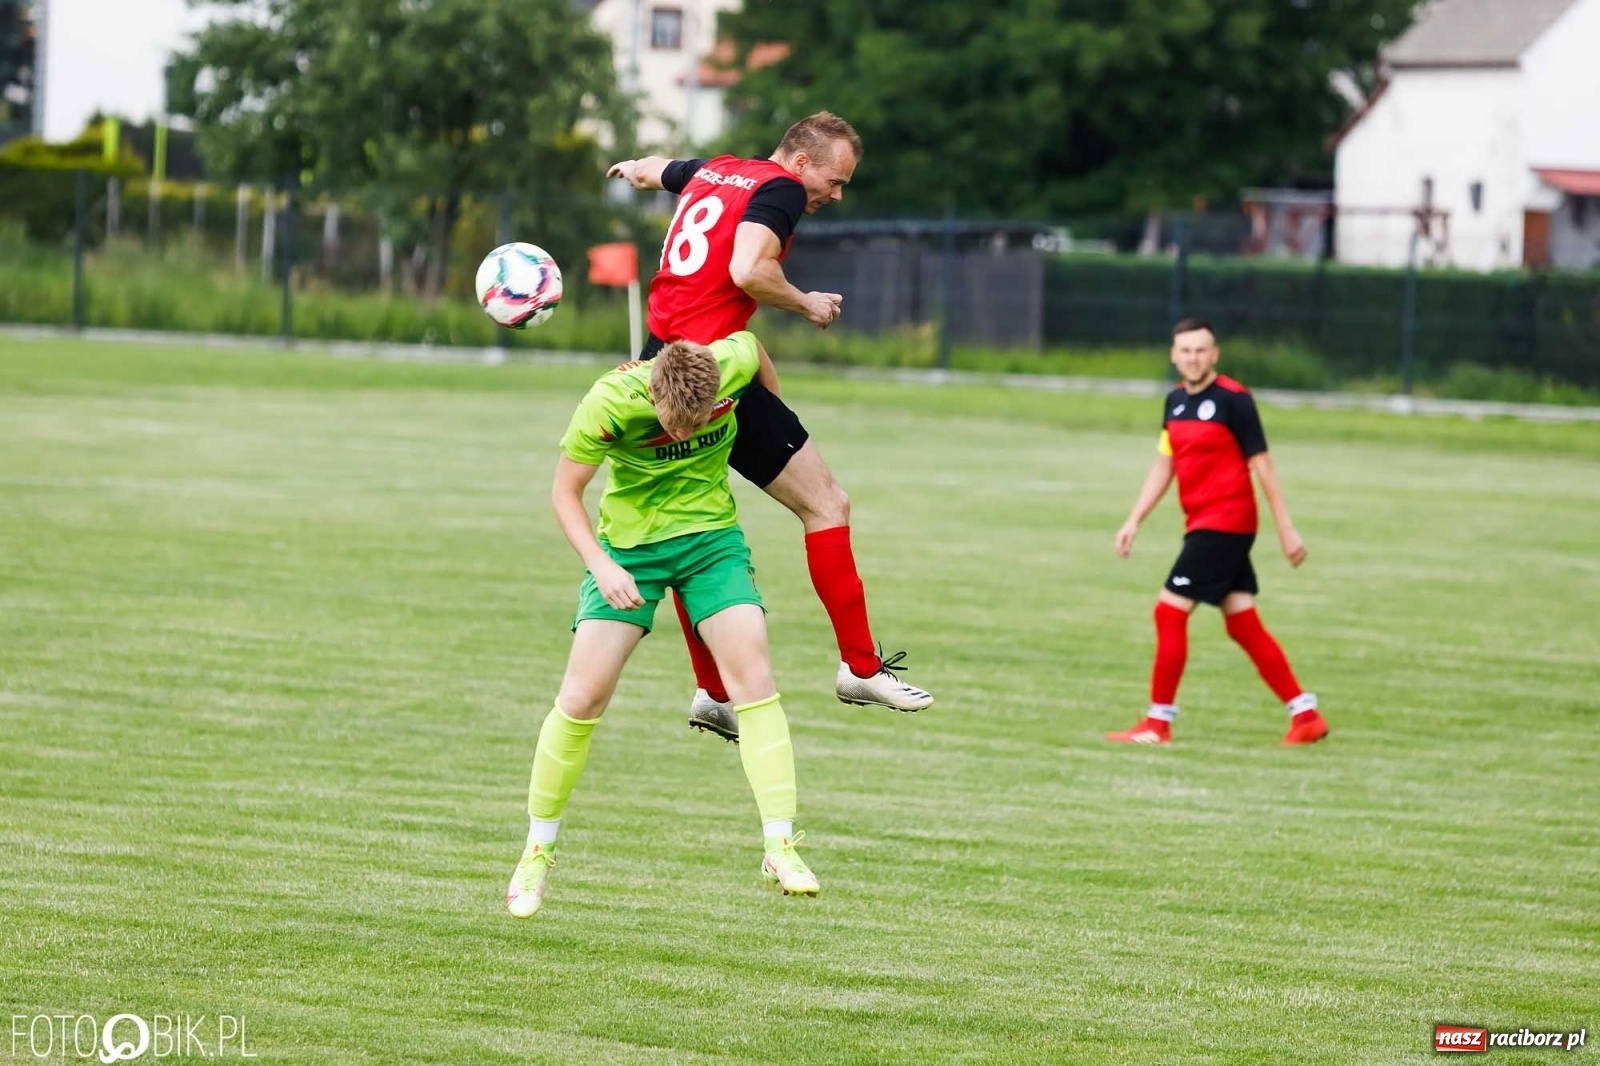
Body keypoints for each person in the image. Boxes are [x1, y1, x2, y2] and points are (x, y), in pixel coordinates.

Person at [605, 111, 932, 745]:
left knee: (686, 523)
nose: (836, 196)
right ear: (801, 163)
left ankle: (712, 692)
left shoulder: (719, 169)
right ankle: (860, 668)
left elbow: (658, 171)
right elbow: (748, 270)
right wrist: (808, 302)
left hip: (658, 368)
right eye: (835, 181)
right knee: (826, 504)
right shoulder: (779, 188)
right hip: (710, 373)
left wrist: (631, 168)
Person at [506, 330, 818, 919]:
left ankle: (780, 845)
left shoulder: (733, 361)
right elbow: (565, 492)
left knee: (755, 678)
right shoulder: (607, 402)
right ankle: (536, 853)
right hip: (631, 553)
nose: (685, 436)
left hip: (711, 544)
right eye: (675, 427)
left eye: (698, 425)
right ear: (653, 396)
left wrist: (774, 425)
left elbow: (757, 357)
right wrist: (601, 567)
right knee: (582, 697)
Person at [1106, 318, 1329, 746]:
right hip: (1204, 523)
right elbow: (1164, 466)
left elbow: (1263, 464)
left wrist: (1286, 528)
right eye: (1185, 351)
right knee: (1241, 622)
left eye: (1201, 350)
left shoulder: (1234, 400)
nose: (1193, 358)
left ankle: (1157, 723)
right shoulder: (1174, 402)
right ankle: (1305, 715)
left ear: (1214, 354)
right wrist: (1134, 519)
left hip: (1225, 523)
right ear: (1174, 355)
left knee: (1169, 612)